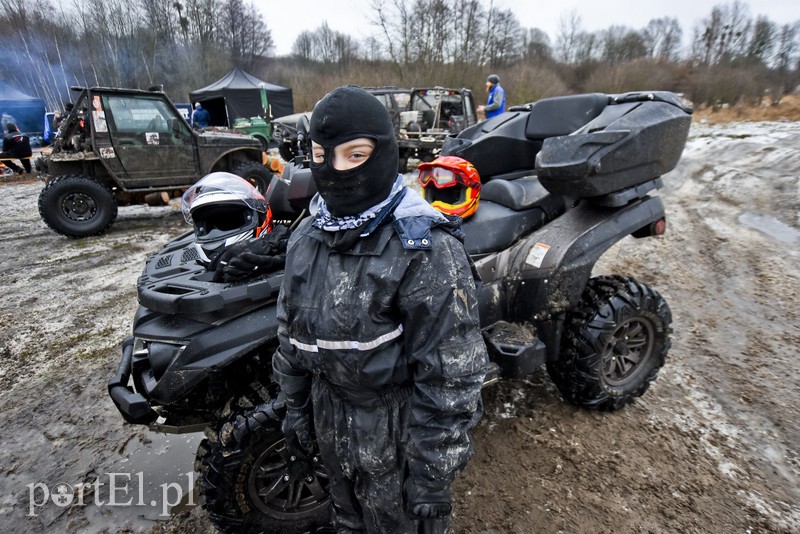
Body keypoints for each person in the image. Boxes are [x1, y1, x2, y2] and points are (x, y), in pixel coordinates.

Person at [272, 85, 488, 533]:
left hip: (399, 444)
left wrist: (432, 473)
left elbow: (452, 374)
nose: (334, 171)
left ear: (384, 153)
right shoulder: (307, 238)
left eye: (355, 155)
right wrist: (294, 407)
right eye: (320, 154)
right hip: (332, 429)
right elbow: (288, 334)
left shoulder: (424, 250)